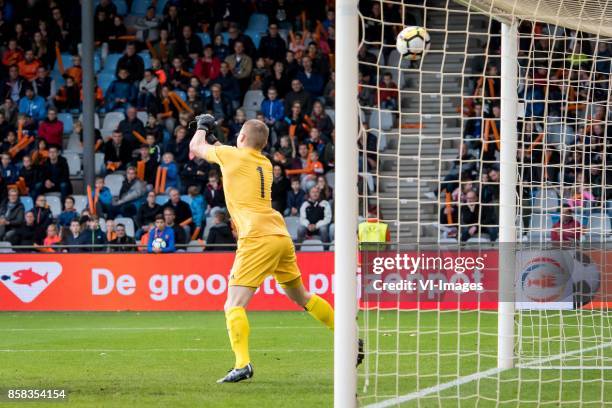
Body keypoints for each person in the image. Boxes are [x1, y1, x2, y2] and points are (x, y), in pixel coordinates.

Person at [189, 114, 353, 383]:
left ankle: (242, 364)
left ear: (241, 138)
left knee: (233, 305)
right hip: (279, 235)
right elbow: (233, 157)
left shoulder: (233, 156)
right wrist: (217, 140)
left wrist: (202, 126)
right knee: (302, 297)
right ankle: (347, 336)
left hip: (256, 237)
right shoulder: (263, 162)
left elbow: (196, 148)